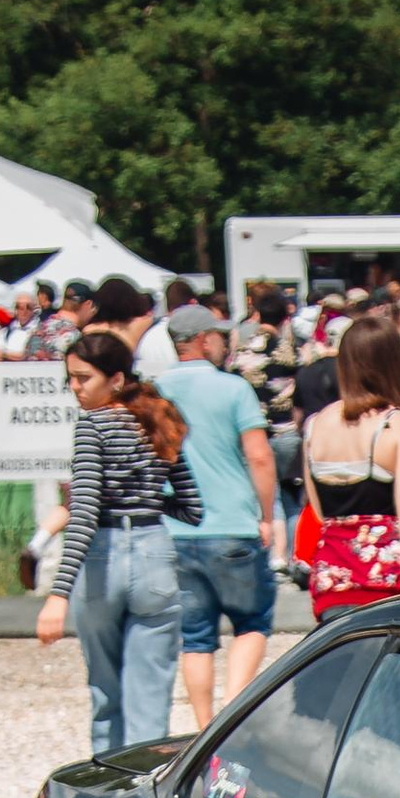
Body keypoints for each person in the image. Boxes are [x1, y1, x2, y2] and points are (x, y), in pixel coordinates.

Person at [32, 331, 202, 749]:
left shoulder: (93, 426)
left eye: (83, 378)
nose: (75, 388)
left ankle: (105, 792)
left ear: (116, 379)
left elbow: (85, 509)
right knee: (151, 698)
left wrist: (57, 594)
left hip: (104, 556)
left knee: (106, 692)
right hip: (154, 553)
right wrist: (145, 501)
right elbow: (191, 507)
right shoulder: (161, 421)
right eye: (70, 378)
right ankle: (144, 793)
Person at [156, 301, 279, 730]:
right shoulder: (233, 389)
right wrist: (267, 514)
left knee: (195, 636)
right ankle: (233, 709)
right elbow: (259, 457)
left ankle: (204, 724)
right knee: (252, 620)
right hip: (232, 523)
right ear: (205, 340)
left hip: (174, 527)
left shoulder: (152, 391)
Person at [300, 309, 400, 617]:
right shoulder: (398, 424)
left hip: (331, 579)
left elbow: (320, 511)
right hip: (387, 580)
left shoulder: (316, 424)